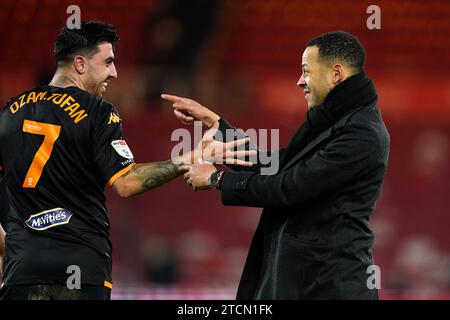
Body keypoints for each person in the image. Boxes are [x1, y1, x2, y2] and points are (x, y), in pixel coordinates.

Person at [0, 21, 252, 300]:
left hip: (21, 271)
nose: (114, 72)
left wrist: (10, 247)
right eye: (108, 62)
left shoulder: (8, 112)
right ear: (81, 64)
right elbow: (127, 183)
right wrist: (192, 158)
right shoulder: (96, 110)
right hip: (80, 269)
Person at [162, 31, 391, 299]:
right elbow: (275, 164)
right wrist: (216, 124)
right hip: (310, 281)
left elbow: (290, 187)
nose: (300, 81)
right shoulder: (334, 123)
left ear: (336, 73)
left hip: (331, 286)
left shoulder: (362, 133)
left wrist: (217, 180)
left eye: (306, 71)